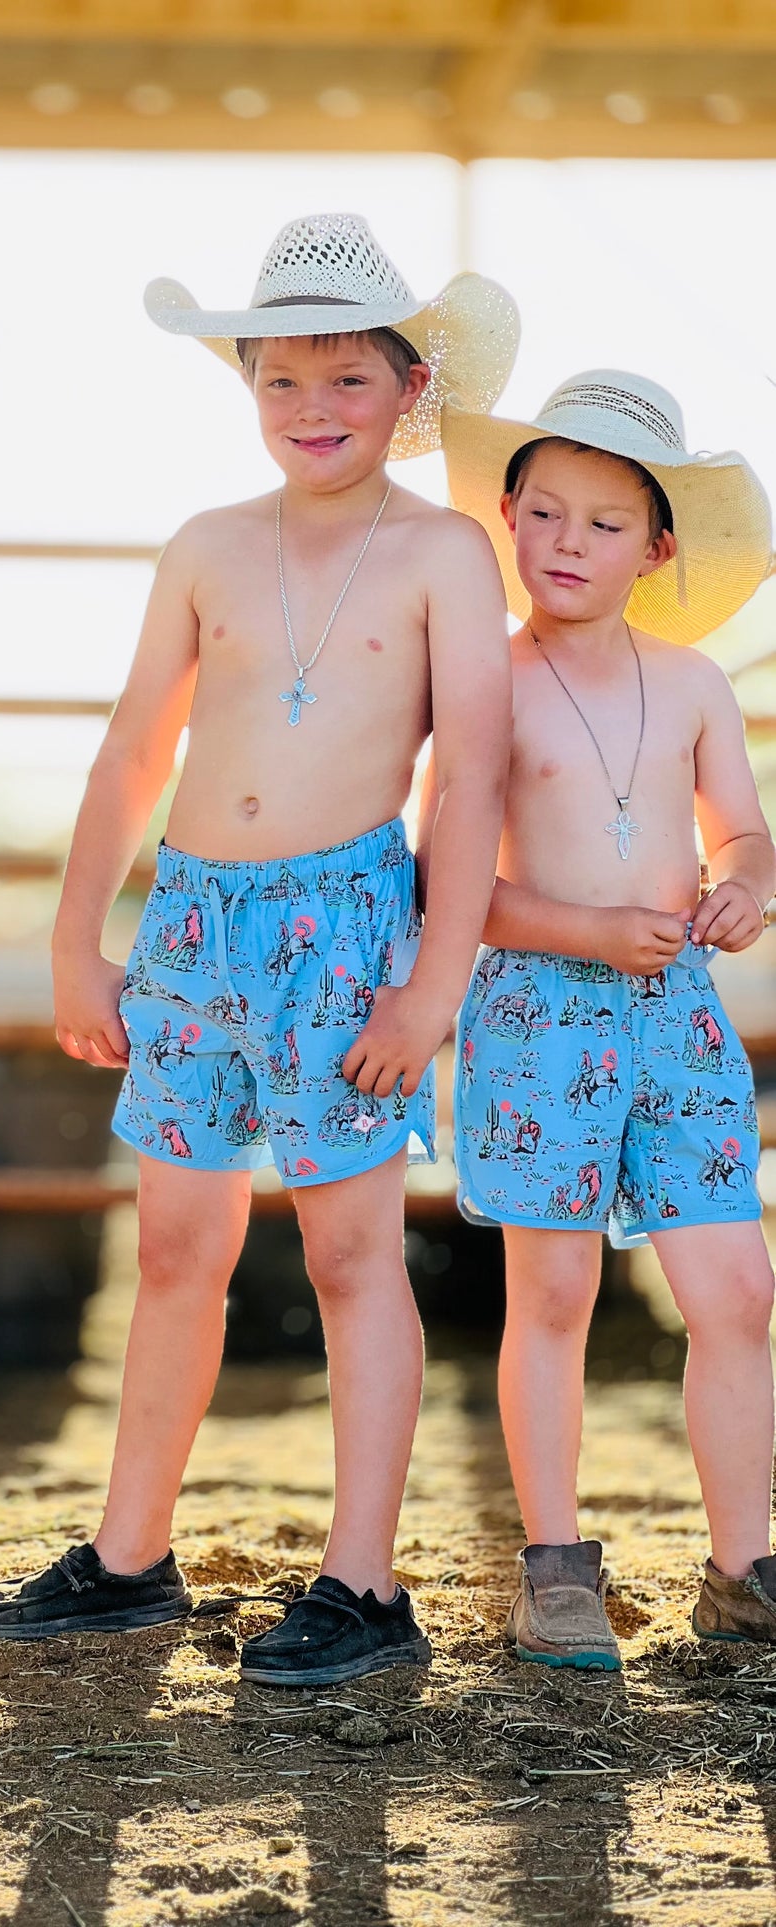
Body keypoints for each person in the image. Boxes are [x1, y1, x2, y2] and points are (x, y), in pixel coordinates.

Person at [0, 212, 517, 1686]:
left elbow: (470, 775)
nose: (311, 407)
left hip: (346, 931)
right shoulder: (207, 544)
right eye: (280, 378)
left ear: (408, 388)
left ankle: (363, 1581)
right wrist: (78, 939)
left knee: (348, 1251)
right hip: (191, 923)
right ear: (247, 386)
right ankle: (129, 1557)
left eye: (346, 378)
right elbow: (133, 748)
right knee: (172, 1247)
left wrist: (429, 986)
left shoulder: (444, 552)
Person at [439, 371, 776, 1669]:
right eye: (543, 512)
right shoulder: (485, 683)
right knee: (555, 1287)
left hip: (675, 1012)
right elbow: (451, 882)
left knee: (735, 1288)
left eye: (603, 521)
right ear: (507, 519)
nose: (566, 542)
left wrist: (741, 884)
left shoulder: (688, 684)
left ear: (657, 548)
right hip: (539, 1010)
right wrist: (585, 929)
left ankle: (742, 1567)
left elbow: (740, 829)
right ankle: (554, 1568)